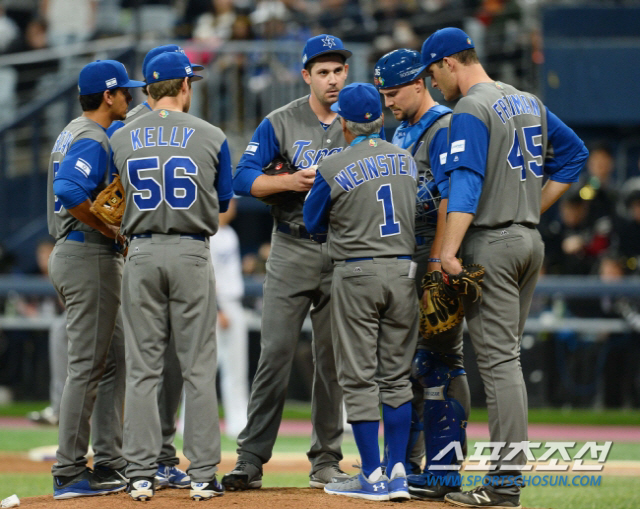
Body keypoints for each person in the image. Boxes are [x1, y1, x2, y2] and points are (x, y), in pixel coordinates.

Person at [422, 27, 589, 507]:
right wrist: (532, 207)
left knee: (498, 363)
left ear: (451, 62)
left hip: (491, 242)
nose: (434, 84)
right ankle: (506, 479)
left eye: (434, 72)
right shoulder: (526, 100)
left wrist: (448, 252)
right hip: (528, 241)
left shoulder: (470, 108)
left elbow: (467, 182)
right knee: (506, 359)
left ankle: (505, 483)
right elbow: (572, 154)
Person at [223, 34, 353, 491]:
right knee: (275, 354)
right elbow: (241, 180)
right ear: (306, 76)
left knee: (332, 360)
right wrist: (288, 183)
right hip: (292, 245)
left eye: (338, 70)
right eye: (323, 71)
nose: (333, 78)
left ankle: (326, 460)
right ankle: (251, 459)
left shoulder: (360, 120)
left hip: (342, 246)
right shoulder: (281, 121)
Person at [110, 50, 233, 501]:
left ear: (147, 90)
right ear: (184, 86)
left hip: (139, 252)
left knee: (143, 369)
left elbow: (112, 196)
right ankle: (201, 475)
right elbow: (222, 201)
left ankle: (141, 473)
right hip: (190, 250)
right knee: (198, 368)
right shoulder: (212, 135)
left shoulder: (120, 137)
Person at [303, 82, 418, 502]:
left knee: (359, 377)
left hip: (356, 271)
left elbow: (312, 223)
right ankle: (399, 472)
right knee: (397, 377)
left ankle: (371, 475)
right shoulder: (406, 161)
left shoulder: (333, 166)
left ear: (346, 125)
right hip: (404, 272)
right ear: (380, 119)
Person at [46, 59, 145, 499]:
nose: (132, 96)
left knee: (113, 361)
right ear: (109, 96)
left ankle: (109, 461)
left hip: (79, 253)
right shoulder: (93, 137)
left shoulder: (73, 129)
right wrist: (107, 227)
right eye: (126, 91)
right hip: (88, 253)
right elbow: (69, 191)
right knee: (87, 367)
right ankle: (68, 470)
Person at [374, 48, 469, 499]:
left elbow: (453, 197)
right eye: (383, 93)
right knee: (404, 364)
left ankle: (445, 467)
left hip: (433, 251)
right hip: (405, 253)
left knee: (440, 360)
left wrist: (437, 261)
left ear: (420, 83)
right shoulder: (402, 129)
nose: (388, 101)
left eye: (393, 92)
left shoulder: (444, 125)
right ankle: (408, 464)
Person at [210, 198, 249, 439]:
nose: (233, 206)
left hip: (234, 303)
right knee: (204, 368)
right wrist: (216, 309)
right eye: (229, 202)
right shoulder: (210, 234)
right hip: (217, 305)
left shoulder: (229, 233)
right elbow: (206, 276)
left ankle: (238, 422)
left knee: (237, 368)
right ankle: (187, 423)